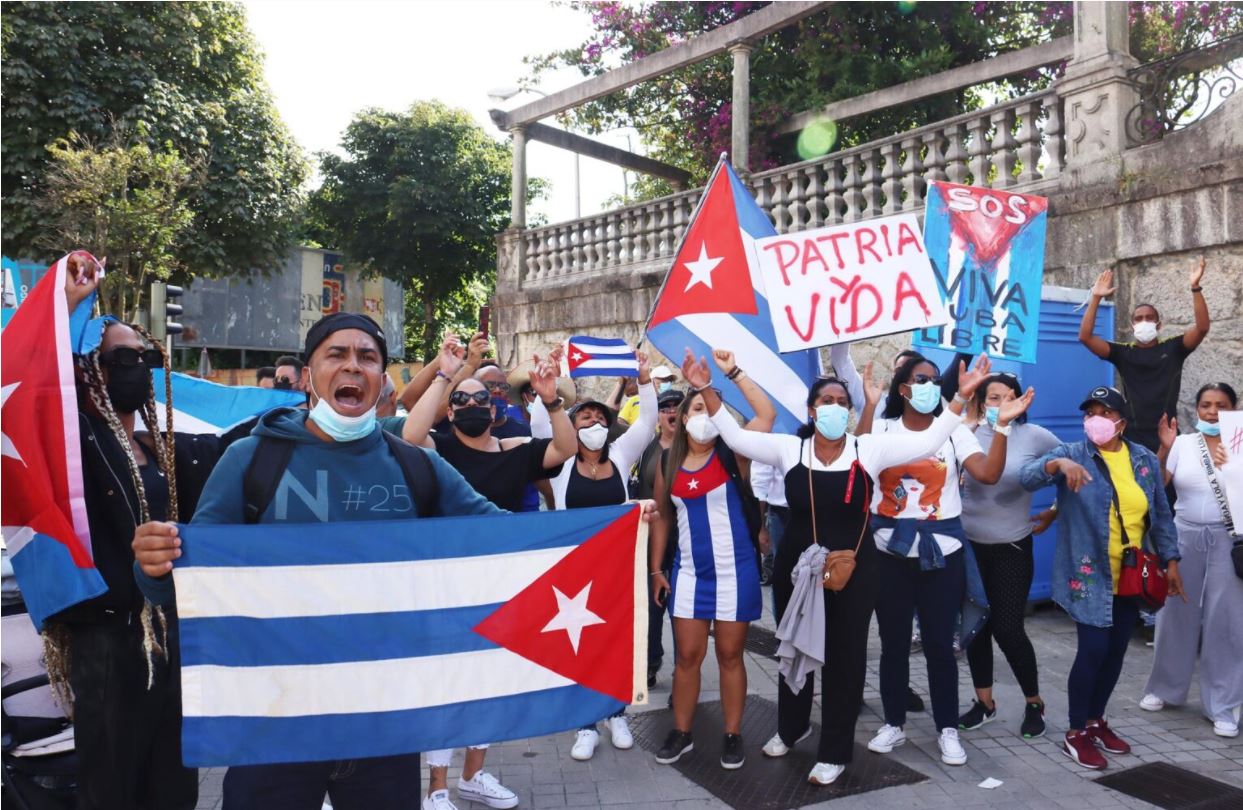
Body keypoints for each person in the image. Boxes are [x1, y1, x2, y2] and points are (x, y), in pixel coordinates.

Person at [133, 312, 503, 810]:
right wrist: (153, 567)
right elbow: (191, 581)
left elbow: (512, 540)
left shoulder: (418, 467)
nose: (353, 366)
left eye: (368, 357)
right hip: (272, 723)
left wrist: (622, 528)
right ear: (309, 375)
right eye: (337, 354)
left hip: (383, 726)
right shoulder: (250, 460)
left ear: (382, 378)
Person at [697, 354, 988, 785]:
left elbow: (928, 443)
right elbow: (737, 438)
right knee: (794, 647)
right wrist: (708, 386)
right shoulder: (788, 448)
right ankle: (791, 728)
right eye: (825, 400)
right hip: (799, 570)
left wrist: (961, 398)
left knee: (843, 661)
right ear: (813, 410)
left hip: (854, 570)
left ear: (848, 412)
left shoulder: (866, 448)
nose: (833, 407)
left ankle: (833, 751)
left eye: (841, 401)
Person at [47, 257, 219, 810]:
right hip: (109, 644)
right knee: (112, 788)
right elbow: (30, 385)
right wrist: (68, 302)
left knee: (173, 783)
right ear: (86, 368)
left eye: (145, 357)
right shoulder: (74, 447)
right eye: (122, 357)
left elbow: (239, 447)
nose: (137, 367)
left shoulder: (165, 446)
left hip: (171, 640)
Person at [402, 336, 578, 810]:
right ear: (452, 411)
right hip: (446, 585)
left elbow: (566, 447)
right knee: (447, 683)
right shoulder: (438, 449)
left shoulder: (515, 449)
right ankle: (436, 787)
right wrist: (446, 374)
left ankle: (473, 777)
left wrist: (551, 397)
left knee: (488, 682)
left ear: (496, 409)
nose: (473, 404)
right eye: (462, 400)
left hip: (501, 585)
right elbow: (409, 435)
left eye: (483, 398)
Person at [866, 355, 1027, 767]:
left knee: (940, 646)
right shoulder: (883, 429)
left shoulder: (955, 431)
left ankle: (947, 729)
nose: (929, 386)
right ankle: (894, 723)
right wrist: (868, 403)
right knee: (894, 645)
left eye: (935, 380)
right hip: (890, 553)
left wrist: (1002, 425)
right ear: (903, 388)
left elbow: (987, 474)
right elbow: (859, 463)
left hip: (943, 557)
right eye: (921, 379)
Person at [1020, 385, 1184, 770]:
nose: (1096, 419)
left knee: (1114, 653)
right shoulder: (1072, 453)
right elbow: (1026, 478)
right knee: (1093, 651)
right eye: (1090, 412)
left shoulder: (1142, 459)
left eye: (1105, 412)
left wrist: (1171, 562)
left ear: (1121, 422)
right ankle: (1076, 732)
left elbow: (1159, 515)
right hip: (1088, 574)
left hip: (1130, 573)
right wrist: (1055, 466)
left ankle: (1097, 721)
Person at [648, 350, 776, 771]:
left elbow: (767, 415)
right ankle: (682, 732)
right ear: (683, 418)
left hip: (735, 573)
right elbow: (664, 517)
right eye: (696, 408)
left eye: (710, 408)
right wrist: (656, 570)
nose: (704, 414)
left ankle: (733, 734)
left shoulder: (733, 453)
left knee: (729, 656)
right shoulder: (668, 461)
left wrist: (722, 377)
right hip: (689, 575)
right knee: (686, 657)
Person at [529, 353, 658, 761]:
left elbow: (648, 424)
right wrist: (547, 388)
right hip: (575, 568)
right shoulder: (562, 465)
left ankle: (615, 712)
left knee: (616, 640)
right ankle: (585, 724)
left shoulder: (620, 457)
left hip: (617, 566)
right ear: (571, 426)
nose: (594, 426)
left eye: (600, 420)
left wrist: (644, 379)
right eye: (584, 420)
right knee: (580, 642)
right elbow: (538, 428)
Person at [958, 373, 1061, 739]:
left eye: (1006, 396)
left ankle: (1034, 703)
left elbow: (1070, 463)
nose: (999, 403)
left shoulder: (1035, 437)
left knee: (1008, 628)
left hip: (1012, 547)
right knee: (976, 628)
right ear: (981, 402)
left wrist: (1054, 510)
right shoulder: (965, 434)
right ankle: (984, 703)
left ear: (1020, 401)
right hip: (968, 547)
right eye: (992, 397)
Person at [1142, 383, 1242, 738]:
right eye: (1206, 405)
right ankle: (1165, 689)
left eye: (1221, 405)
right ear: (1196, 408)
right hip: (1183, 535)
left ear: (1234, 408)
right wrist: (1165, 449)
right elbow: (1156, 484)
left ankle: (1224, 706)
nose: (1213, 412)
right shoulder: (1183, 443)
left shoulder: (1240, 443)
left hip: (1228, 540)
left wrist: (1232, 467)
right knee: (1175, 612)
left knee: (1226, 621)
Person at [1077, 259, 1210, 452]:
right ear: (1133, 326)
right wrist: (1096, 297)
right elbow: (1085, 337)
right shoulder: (1123, 352)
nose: (1144, 321)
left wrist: (1195, 287)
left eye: (1150, 318)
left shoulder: (1174, 348)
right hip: (1132, 435)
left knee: (1167, 482)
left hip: (1167, 434)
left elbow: (1202, 327)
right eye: (1139, 319)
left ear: (1159, 324)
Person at [632, 387, 686, 688]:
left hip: (686, 542)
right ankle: (651, 662)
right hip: (650, 541)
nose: (672, 411)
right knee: (652, 607)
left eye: (678, 406)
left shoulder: (696, 448)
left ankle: (684, 669)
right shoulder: (645, 450)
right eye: (665, 407)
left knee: (682, 607)